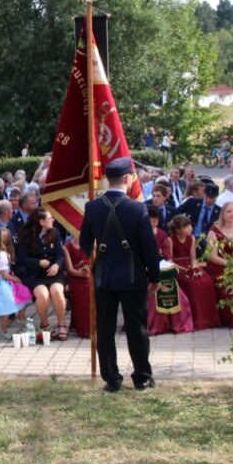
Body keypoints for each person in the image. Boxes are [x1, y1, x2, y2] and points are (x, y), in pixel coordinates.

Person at [79, 157, 161, 392]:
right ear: (127, 178)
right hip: (133, 277)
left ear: (108, 179)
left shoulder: (93, 207)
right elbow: (149, 247)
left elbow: (84, 242)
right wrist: (155, 276)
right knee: (137, 329)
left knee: (105, 329)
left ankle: (112, 378)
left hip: (104, 277)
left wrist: (96, 257)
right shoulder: (137, 208)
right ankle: (142, 377)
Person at [16, 208, 68, 340]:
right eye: (50, 218)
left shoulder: (55, 233)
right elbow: (22, 258)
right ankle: (45, 325)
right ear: (42, 222)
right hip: (35, 274)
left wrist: (57, 265)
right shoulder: (25, 235)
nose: (53, 220)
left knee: (57, 291)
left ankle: (61, 324)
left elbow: (60, 255)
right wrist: (38, 262)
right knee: (43, 294)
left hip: (53, 272)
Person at [145, 206, 193, 335]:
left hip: (161, 268)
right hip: (144, 269)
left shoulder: (162, 234)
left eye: (156, 221)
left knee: (178, 294)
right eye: (151, 221)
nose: (155, 224)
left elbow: (167, 257)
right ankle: (154, 324)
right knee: (152, 295)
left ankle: (176, 323)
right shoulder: (138, 233)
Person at [169, 213, 220, 331]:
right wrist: (184, 270)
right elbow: (170, 260)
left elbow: (193, 258)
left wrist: (195, 268)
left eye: (190, 225)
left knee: (207, 281)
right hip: (177, 267)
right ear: (178, 230)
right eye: (187, 226)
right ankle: (196, 319)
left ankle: (208, 318)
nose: (190, 228)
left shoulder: (191, 239)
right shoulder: (170, 240)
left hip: (189, 265)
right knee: (193, 285)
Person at [0, 231, 30, 339]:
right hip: (2, 283)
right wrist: (15, 279)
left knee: (24, 296)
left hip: (4, 281)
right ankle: (3, 327)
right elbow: (4, 274)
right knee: (9, 305)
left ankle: (19, 317)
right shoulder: (2, 255)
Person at [63, 237, 92, 338]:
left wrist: (88, 272)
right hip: (74, 278)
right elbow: (69, 270)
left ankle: (93, 325)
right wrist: (83, 275)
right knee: (85, 289)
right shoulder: (67, 247)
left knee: (95, 288)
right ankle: (85, 329)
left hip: (88, 276)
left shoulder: (89, 245)